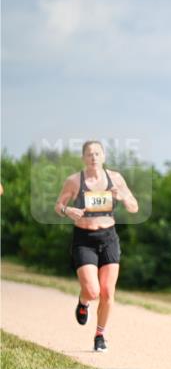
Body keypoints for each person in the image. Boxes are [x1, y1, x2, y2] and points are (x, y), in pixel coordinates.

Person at [54, 140, 139, 352]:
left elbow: (134, 207)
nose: (94, 157)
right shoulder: (74, 181)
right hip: (84, 239)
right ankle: (83, 302)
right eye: (89, 154)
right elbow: (58, 205)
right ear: (83, 158)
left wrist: (122, 197)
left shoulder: (115, 178)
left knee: (108, 292)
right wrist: (67, 211)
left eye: (97, 153)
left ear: (104, 157)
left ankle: (100, 335)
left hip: (108, 238)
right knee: (92, 291)